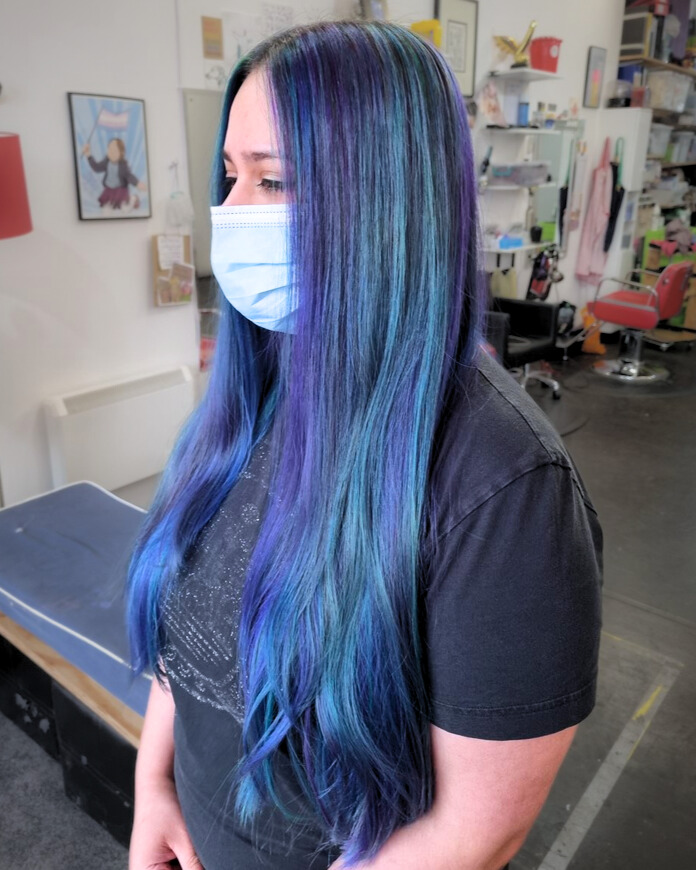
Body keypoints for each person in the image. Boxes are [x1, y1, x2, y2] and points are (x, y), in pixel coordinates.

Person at [127, 20, 602, 870]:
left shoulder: (504, 488)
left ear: (387, 197)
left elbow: (477, 830)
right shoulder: (259, 389)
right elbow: (184, 626)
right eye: (231, 176)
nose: (231, 214)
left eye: (274, 180)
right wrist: (153, 787)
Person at [82, 137, 146, 211]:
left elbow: (129, 176)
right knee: (106, 208)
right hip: (109, 190)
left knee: (124, 208)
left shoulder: (123, 165)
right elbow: (96, 167)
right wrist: (88, 155)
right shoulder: (106, 162)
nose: (111, 152)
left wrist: (137, 183)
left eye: (114, 150)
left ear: (121, 152)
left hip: (120, 190)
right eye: (109, 149)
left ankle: (133, 199)